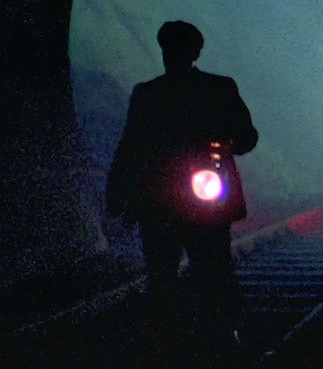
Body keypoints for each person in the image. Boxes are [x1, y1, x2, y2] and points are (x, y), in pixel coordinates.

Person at [106, 20, 258, 343]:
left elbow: (131, 146)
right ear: (196, 52)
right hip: (204, 198)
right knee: (211, 270)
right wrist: (225, 144)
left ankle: (168, 340)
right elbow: (247, 136)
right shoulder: (219, 88)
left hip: (158, 200)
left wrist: (117, 192)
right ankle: (217, 335)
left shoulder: (148, 94)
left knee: (163, 274)